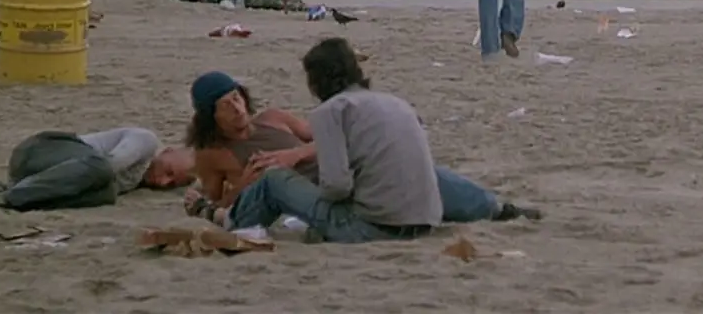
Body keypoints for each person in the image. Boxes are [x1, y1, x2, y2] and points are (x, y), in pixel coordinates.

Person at [181, 67, 539, 232]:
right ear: (210, 117)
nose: (238, 108)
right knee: (271, 182)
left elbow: (329, 138)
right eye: (226, 105)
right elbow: (220, 199)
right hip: (306, 194)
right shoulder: (212, 154)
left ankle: (497, 209)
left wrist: (298, 154)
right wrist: (244, 184)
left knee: (424, 177)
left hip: (341, 175)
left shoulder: (275, 119)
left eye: (237, 98)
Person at [0, 128, 194, 214]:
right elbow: (108, 164)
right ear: (168, 151)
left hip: (41, 175)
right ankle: (5, 198)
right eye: (169, 171)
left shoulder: (140, 179)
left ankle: (0, 191)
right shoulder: (147, 142)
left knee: (106, 195)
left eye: (171, 184)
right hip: (41, 150)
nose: (163, 182)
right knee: (102, 173)